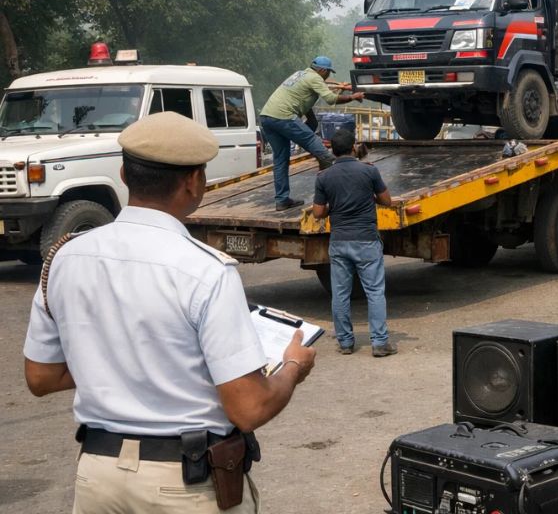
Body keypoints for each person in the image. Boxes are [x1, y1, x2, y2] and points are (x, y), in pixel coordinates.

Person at [23, 111, 316, 512]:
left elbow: (41, 376)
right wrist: (293, 367)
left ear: (124, 176)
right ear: (195, 181)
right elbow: (248, 408)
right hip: (181, 485)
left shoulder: (64, 257)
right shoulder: (206, 270)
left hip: (97, 476)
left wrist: (118, 357)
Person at [313, 128, 397, 357]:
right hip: (367, 241)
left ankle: (346, 342)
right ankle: (380, 343)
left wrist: (334, 206)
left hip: (339, 242)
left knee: (340, 294)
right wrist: (369, 197)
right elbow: (387, 201)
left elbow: (318, 213)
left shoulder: (324, 177)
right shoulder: (369, 171)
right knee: (375, 292)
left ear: (333, 150)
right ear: (353, 148)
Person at [259, 56, 364, 210]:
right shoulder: (315, 78)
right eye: (328, 72)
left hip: (267, 117)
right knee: (326, 156)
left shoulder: (300, 75)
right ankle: (335, 198)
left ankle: (282, 200)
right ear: (322, 70)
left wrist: (311, 123)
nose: (328, 76)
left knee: (280, 160)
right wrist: (352, 97)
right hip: (284, 117)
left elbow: (303, 101)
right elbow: (330, 99)